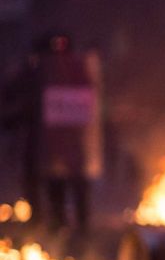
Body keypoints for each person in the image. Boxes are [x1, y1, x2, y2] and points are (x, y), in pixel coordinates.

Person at [1, 32, 96, 232]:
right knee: (61, 190)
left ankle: (62, 229)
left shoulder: (40, 73)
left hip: (53, 148)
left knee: (57, 189)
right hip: (60, 148)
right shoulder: (77, 71)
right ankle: (68, 230)